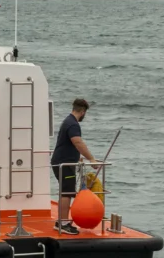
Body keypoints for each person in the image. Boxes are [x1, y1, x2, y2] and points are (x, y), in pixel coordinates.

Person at [50, 98, 99, 235]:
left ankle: (61, 221)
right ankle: (63, 223)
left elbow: (68, 144)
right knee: (67, 192)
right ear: (83, 112)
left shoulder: (68, 121)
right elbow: (77, 142)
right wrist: (91, 159)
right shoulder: (73, 124)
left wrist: (77, 156)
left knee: (66, 191)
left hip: (63, 162)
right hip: (64, 164)